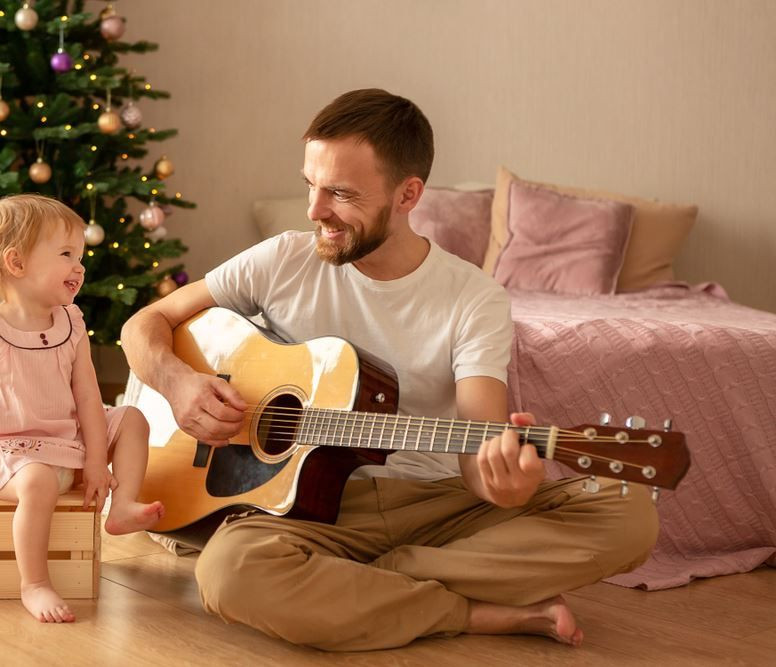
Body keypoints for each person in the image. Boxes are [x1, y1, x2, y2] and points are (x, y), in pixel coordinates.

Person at [120, 89, 658, 650]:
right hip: (303, 508)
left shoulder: (474, 299)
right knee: (229, 572)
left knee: (629, 515)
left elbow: (478, 459)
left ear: (408, 194)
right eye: (311, 184)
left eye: (341, 193)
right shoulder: (282, 259)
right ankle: (475, 611)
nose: (314, 210)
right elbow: (146, 324)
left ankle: (371, 583)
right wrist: (178, 383)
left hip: (434, 506)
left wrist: (505, 484)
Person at [0, 194, 164, 623]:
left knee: (131, 417)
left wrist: (97, 462)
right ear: (16, 263)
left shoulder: (71, 324)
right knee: (39, 482)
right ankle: (35, 583)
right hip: (10, 452)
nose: (79, 267)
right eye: (66, 254)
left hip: (68, 438)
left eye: (80, 256)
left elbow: (89, 401)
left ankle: (124, 506)